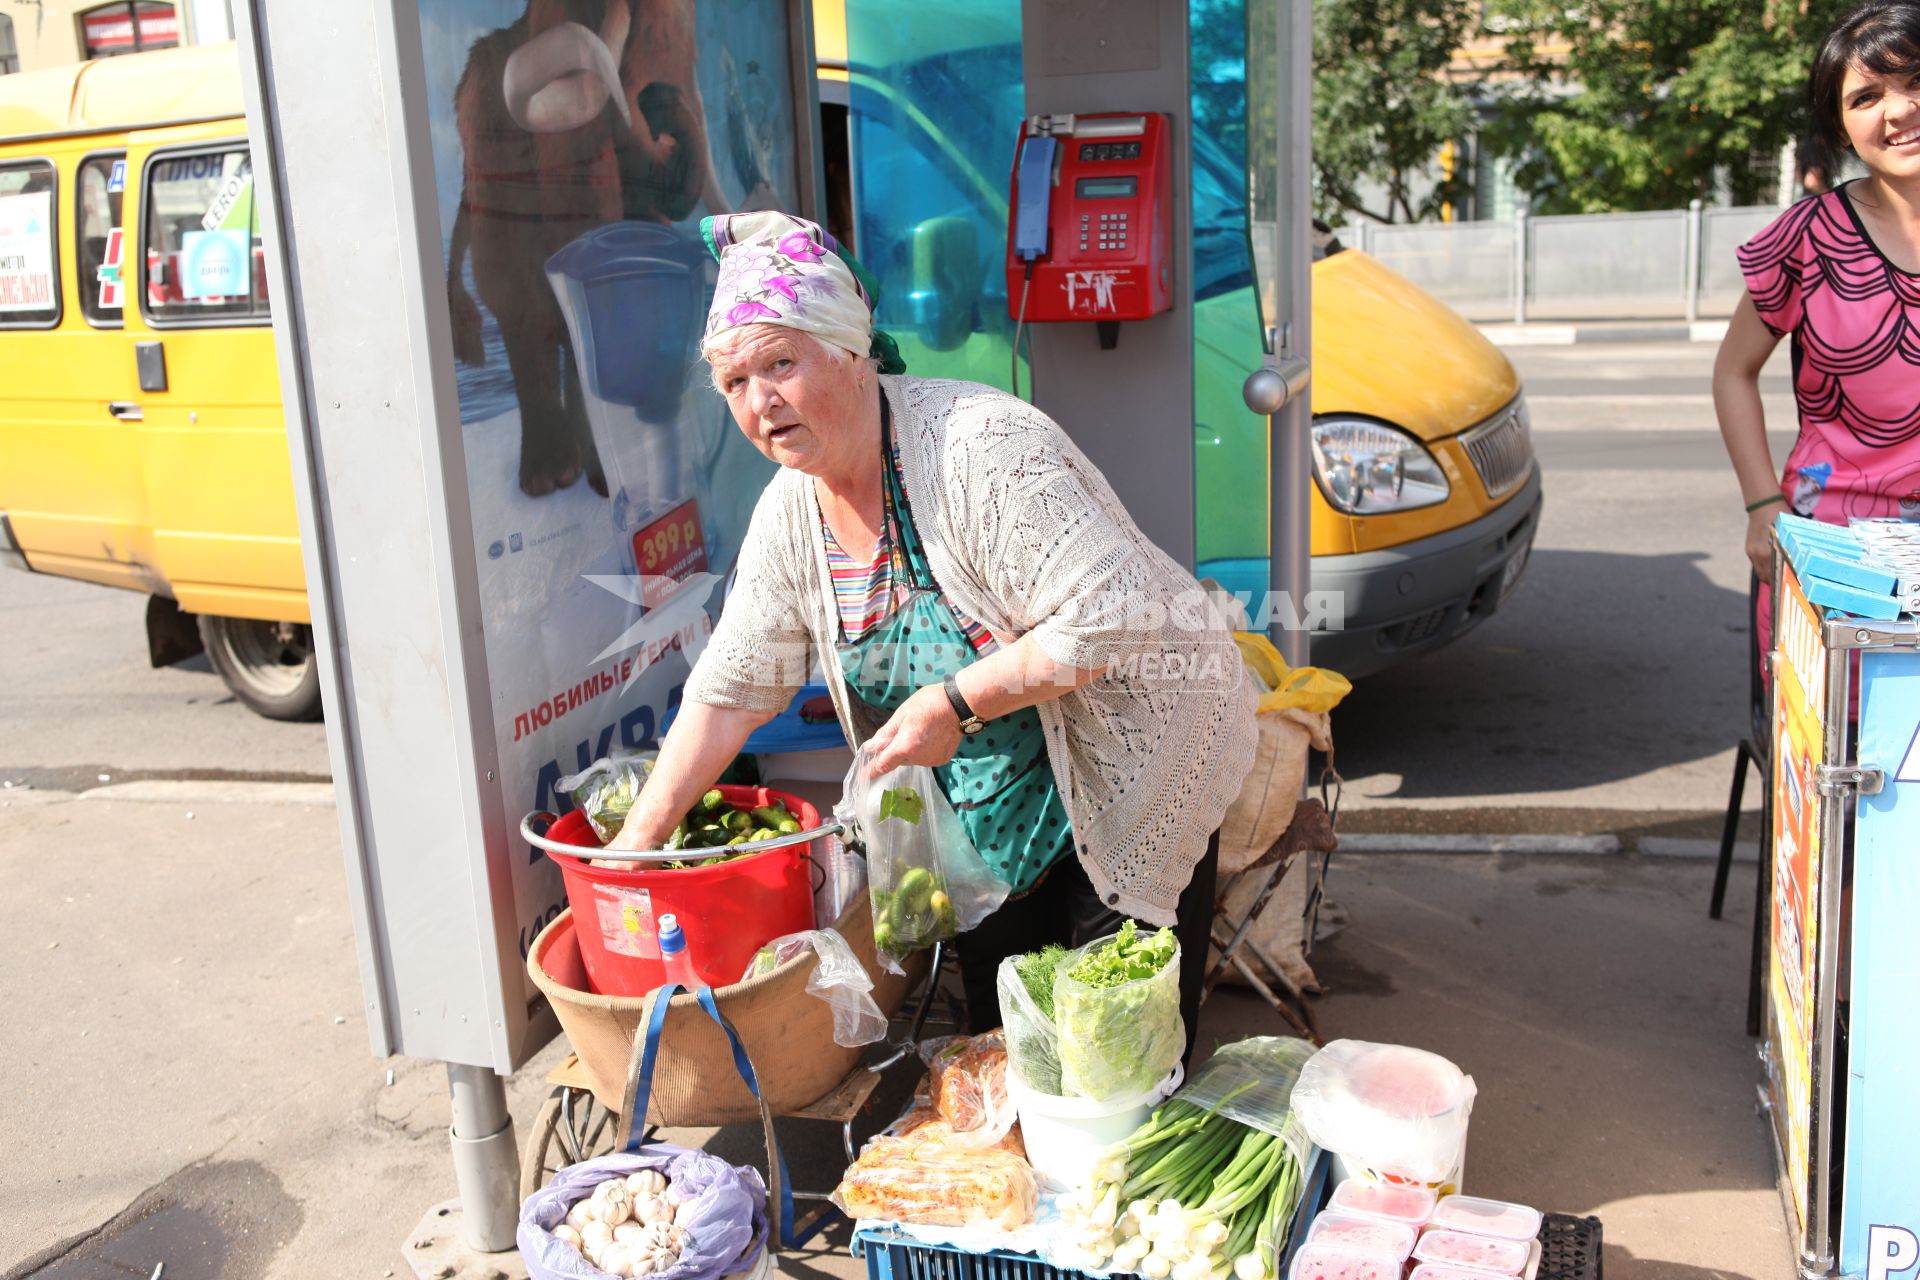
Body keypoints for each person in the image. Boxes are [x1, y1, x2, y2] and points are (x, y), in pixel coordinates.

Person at [611, 211, 1257, 1049]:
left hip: (1125, 761)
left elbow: (1113, 614)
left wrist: (954, 705)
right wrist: (640, 838)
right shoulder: (789, 517)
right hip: (984, 814)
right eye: (735, 383)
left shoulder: (979, 447)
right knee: (1009, 1048)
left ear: (848, 350)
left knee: (1117, 1061)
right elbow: (732, 690)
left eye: (780, 364)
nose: (760, 401)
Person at [1715, 0, 1920, 595]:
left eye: (1916, 81)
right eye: (1867, 97)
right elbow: (1733, 370)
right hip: (1832, 554)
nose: (1901, 109)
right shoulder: (1804, 238)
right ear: (1839, 128)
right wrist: (1761, 503)